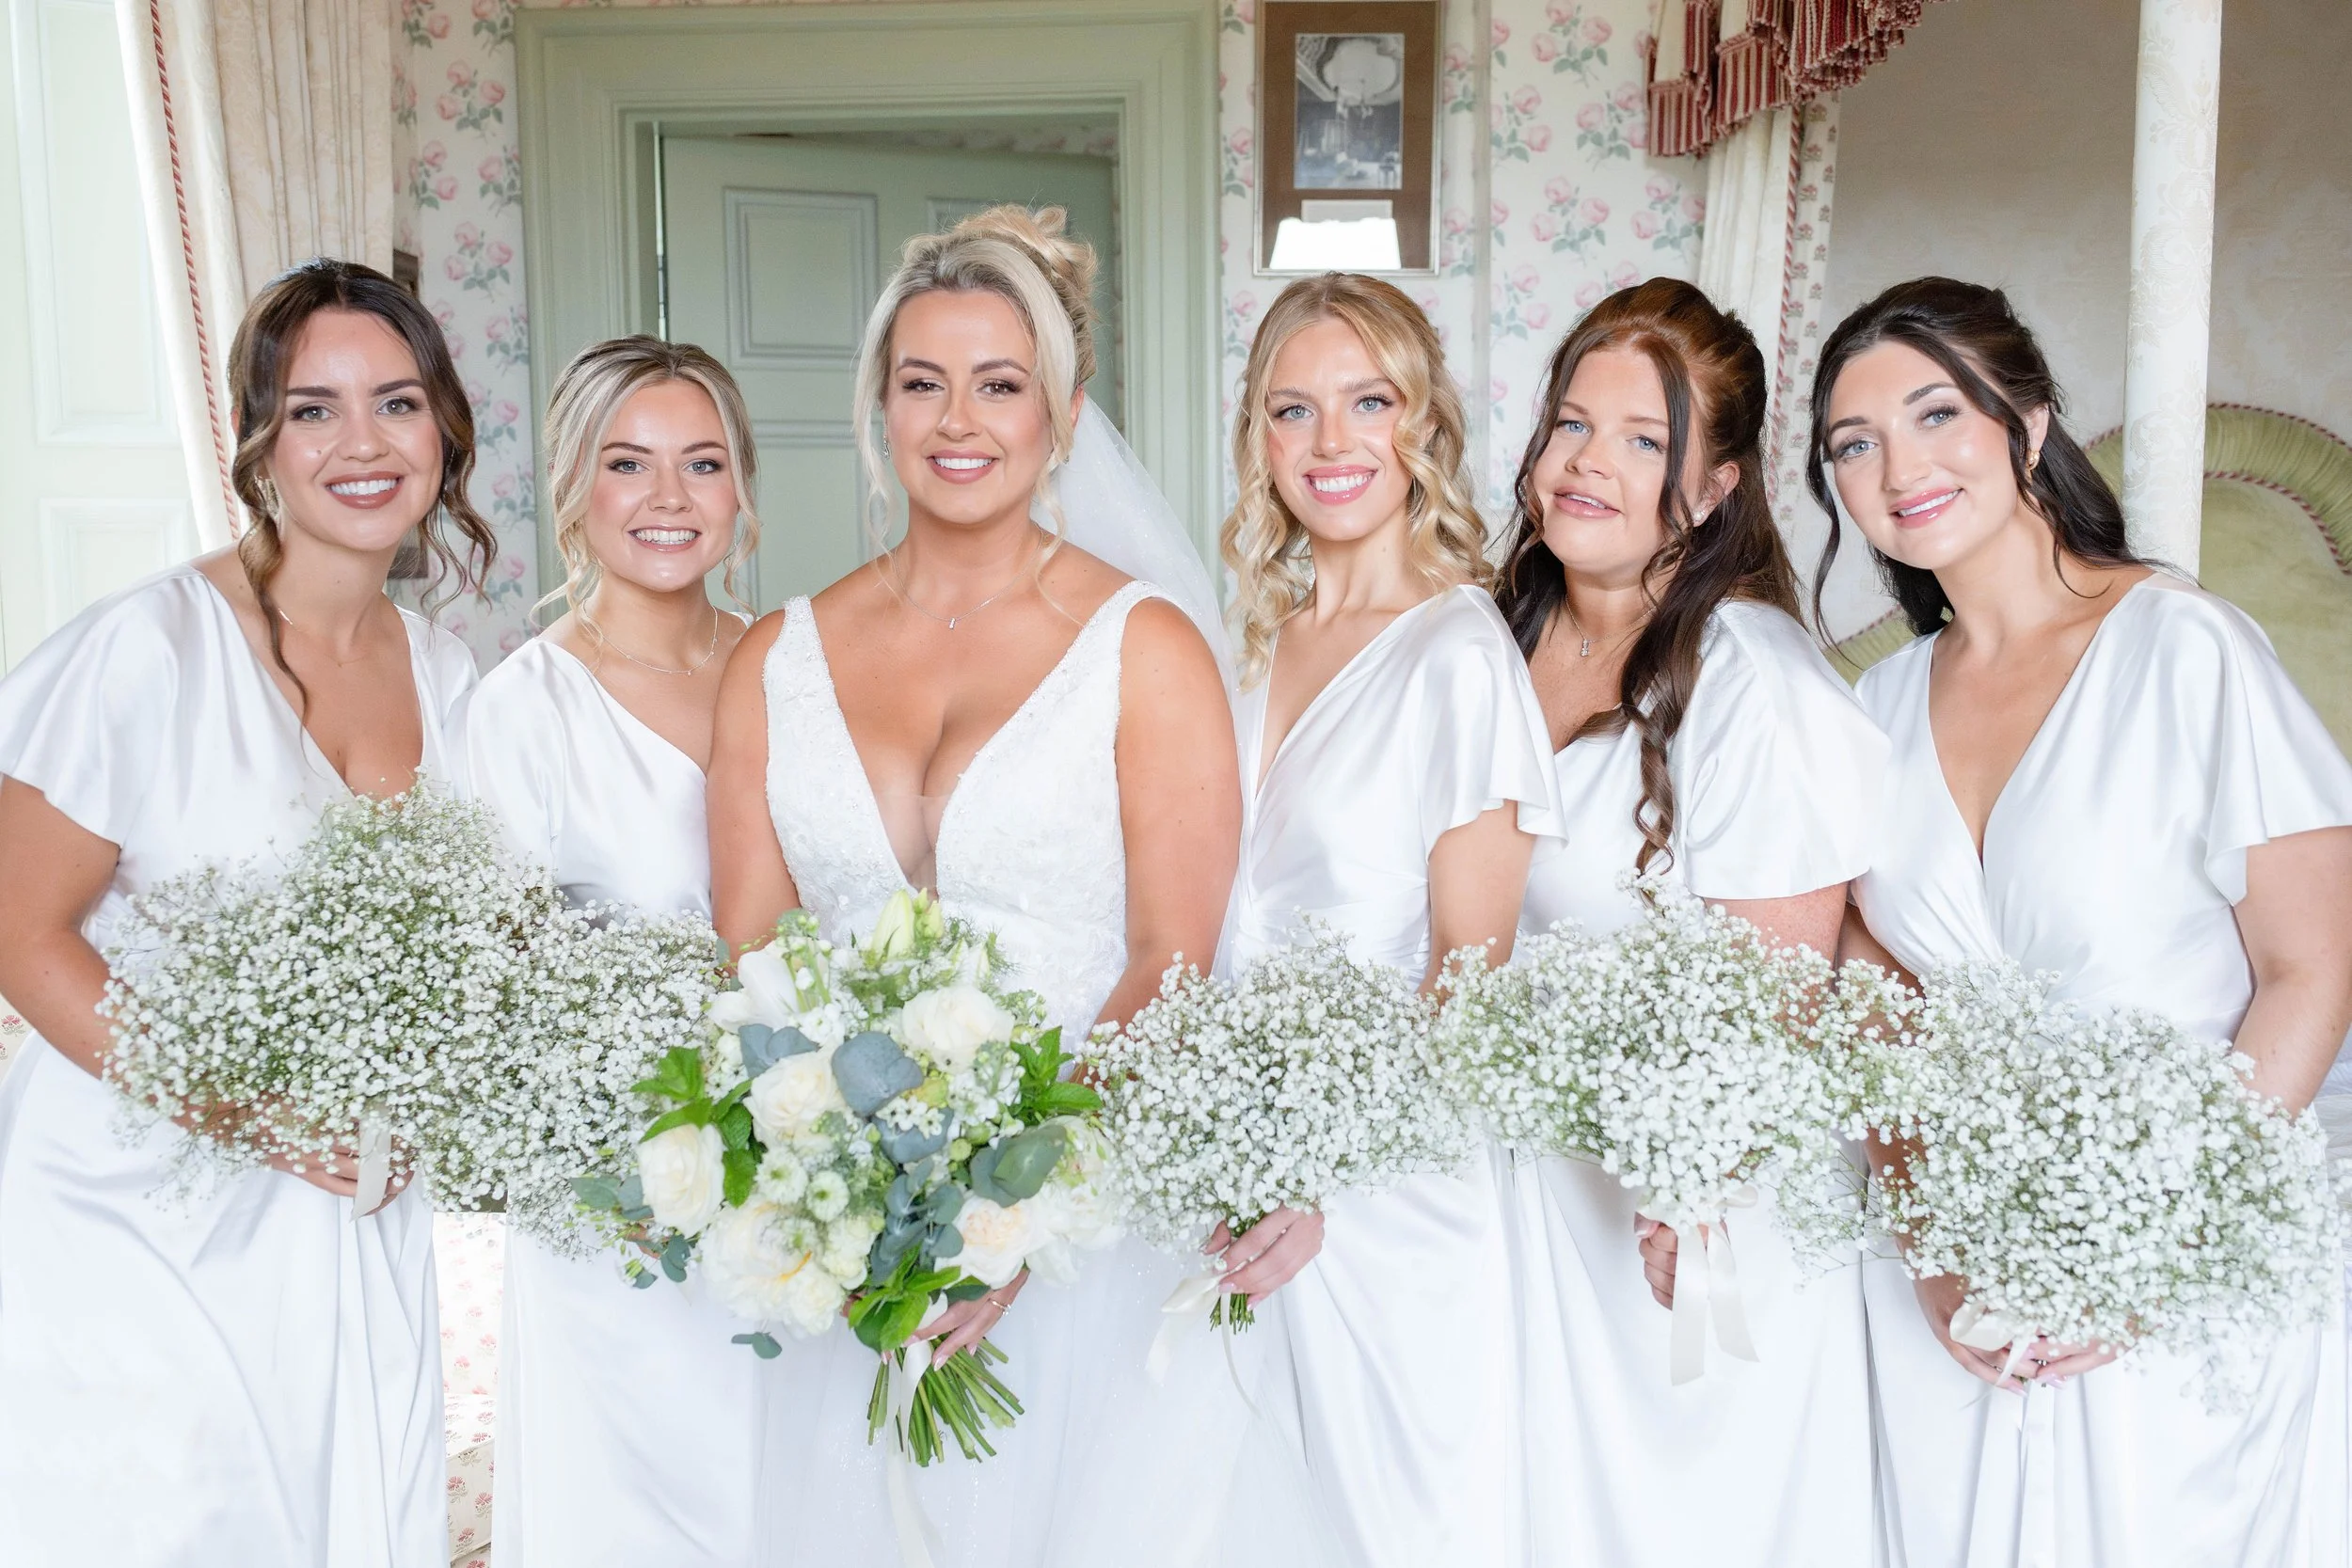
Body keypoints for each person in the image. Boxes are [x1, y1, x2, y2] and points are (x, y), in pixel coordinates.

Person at [705, 206, 1251, 1568]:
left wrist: (1018, 1213)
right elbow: (753, 951)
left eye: (1000, 383)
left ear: (1062, 418)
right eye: (922, 381)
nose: (961, 418)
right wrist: (845, 1202)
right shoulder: (775, 656)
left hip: (1086, 1234)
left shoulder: (1147, 646)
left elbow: (1172, 952)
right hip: (858, 1255)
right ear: (879, 410)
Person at [1820, 277, 2352, 1568]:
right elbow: (1872, 1003)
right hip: (1958, 1303)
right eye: (1854, 442)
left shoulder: (2187, 650)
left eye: (1937, 413)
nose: (1899, 465)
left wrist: (2146, 1254)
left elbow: (2310, 969)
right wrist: (1937, 1256)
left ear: (2030, 423)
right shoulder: (1869, 712)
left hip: (2187, 1266)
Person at [0, 259, 490, 1566]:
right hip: (133, 1207)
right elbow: (21, 935)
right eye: (314, 408)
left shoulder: (449, 676)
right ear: (259, 443)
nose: (363, 442)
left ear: (443, 428)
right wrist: (242, 1108)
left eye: (396, 402)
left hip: (349, 1215)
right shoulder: (147, 649)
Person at [1489, 277, 1884, 1566]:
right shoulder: (1490, 642)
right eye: (1571, 426)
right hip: (1529, 1201)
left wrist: (1692, 1184)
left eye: (1645, 439)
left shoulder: (1752, 681)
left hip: (1697, 1222)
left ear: (1717, 486)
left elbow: (1783, 996)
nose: (1589, 464)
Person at [1214, 271, 1565, 1567]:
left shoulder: (1460, 657)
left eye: (1368, 401)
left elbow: (1468, 989)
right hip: (1238, 1175)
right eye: (1292, 410)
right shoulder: (1251, 642)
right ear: (1260, 440)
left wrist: (1324, 1189)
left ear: (1424, 425)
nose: (1331, 443)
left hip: (1390, 1200)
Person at [454, 337, 758, 1565]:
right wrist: (618, 1166)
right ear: (576, 486)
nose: (669, 497)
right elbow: (496, 996)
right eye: (629, 464)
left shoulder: (798, 667)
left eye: (702, 462)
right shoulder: (524, 709)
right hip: (617, 1211)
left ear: (741, 491)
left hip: (798, 1183)